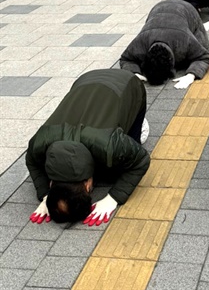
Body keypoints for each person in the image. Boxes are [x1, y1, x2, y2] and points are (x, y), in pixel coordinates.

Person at [26, 69, 150, 226]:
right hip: (85, 80)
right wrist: (45, 195)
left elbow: (141, 160)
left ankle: (138, 124)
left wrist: (113, 199)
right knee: (106, 166)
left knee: (117, 168)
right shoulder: (39, 143)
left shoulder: (110, 146)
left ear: (87, 185)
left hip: (128, 84)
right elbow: (30, 160)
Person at [119, 0, 209, 89]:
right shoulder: (141, 41)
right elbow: (125, 58)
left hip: (188, 10)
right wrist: (134, 73)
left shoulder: (184, 40)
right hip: (158, 8)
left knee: (204, 47)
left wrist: (191, 75)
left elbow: (204, 57)